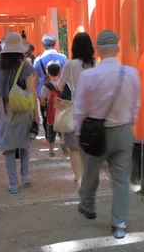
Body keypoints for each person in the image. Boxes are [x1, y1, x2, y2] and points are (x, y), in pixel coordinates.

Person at [74, 30, 140, 239]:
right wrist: (129, 122)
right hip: (122, 131)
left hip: (95, 132)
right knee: (121, 180)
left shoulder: (89, 75)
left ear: (98, 50)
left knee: (91, 171)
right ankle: (119, 225)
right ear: (118, 48)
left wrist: (78, 132)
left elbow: (80, 108)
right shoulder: (131, 74)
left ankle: (88, 205)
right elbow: (135, 106)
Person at [0, 32, 40, 194]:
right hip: (23, 111)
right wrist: (36, 114)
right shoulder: (25, 66)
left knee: (9, 149)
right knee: (24, 144)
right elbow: (32, 92)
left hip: (5, 110)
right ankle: (25, 175)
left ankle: (13, 183)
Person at [57, 32, 96, 189]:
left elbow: (59, 86)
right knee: (87, 145)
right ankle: (87, 176)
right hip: (93, 111)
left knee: (74, 146)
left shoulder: (70, 65)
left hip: (75, 109)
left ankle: (79, 179)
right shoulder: (96, 65)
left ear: (74, 47)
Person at [33, 34, 67, 147]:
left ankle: (48, 137)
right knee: (61, 112)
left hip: (44, 91)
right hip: (60, 91)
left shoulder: (38, 60)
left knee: (46, 113)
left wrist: (33, 91)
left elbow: (36, 78)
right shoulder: (63, 57)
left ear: (43, 45)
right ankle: (63, 136)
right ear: (55, 44)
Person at [39, 61, 61, 157]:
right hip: (62, 111)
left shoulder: (46, 86)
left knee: (50, 131)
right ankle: (64, 146)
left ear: (48, 72)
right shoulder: (63, 84)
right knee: (62, 131)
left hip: (51, 112)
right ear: (59, 72)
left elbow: (42, 100)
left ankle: (51, 151)